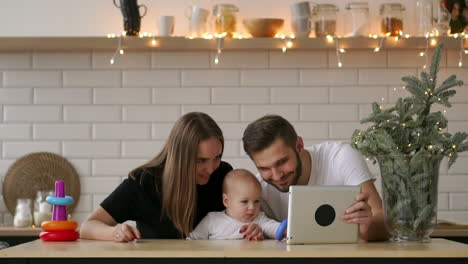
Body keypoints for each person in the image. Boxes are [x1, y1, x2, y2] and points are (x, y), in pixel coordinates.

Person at [80, 112, 235, 242]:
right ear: (179, 157)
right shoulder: (144, 182)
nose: (210, 168)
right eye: (199, 160)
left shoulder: (223, 175)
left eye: (217, 157)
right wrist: (115, 232)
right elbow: (88, 227)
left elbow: (242, 219)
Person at [242, 115, 390, 241]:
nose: (276, 175)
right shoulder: (257, 189)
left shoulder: (340, 157)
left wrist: (367, 229)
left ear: (299, 145)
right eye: (264, 168)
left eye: (282, 162)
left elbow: (384, 220)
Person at [188, 169, 280, 240]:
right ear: (226, 201)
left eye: (256, 201)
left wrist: (286, 230)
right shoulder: (212, 219)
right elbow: (192, 240)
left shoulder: (259, 219)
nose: (252, 207)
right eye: (244, 201)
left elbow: (273, 228)